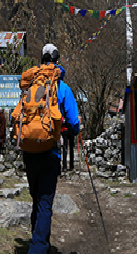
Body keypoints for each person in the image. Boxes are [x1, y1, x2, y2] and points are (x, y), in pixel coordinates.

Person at [23, 43, 80, 253]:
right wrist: (72, 129)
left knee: (35, 197)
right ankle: (38, 248)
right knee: (45, 201)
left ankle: (36, 239)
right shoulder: (62, 88)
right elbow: (74, 123)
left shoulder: (31, 85)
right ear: (57, 60)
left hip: (29, 149)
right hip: (51, 150)